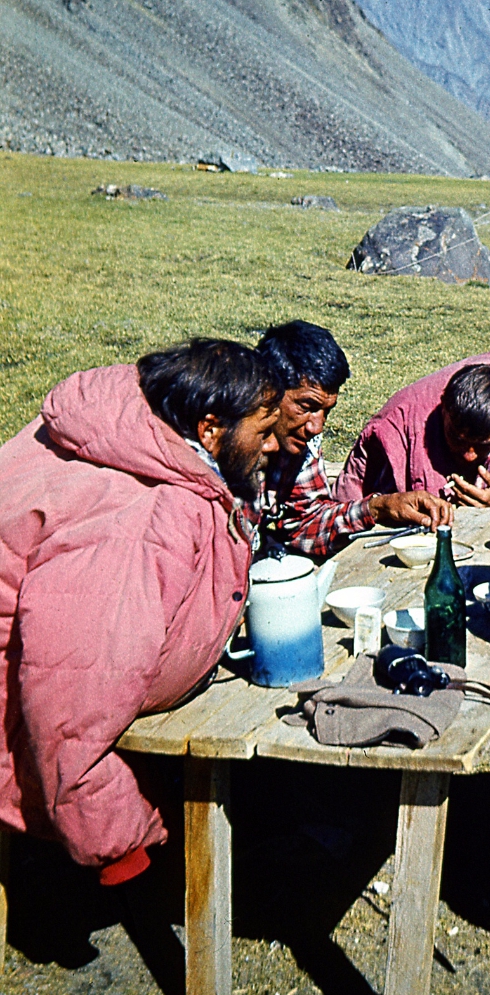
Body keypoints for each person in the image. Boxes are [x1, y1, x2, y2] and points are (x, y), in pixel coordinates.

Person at [0, 340, 282, 883]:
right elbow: (71, 688)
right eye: (263, 431)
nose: (273, 445)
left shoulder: (127, 432)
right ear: (209, 430)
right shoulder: (144, 514)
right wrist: (115, 836)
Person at [256, 321, 451, 557]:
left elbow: (305, 524)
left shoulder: (300, 442)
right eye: (306, 406)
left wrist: (378, 508)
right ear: (267, 391)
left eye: (326, 411)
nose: (316, 427)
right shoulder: (220, 445)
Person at [335, 349, 490, 510]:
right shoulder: (400, 430)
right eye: (457, 438)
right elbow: (348, 506)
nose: (469, 455)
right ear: (443, 410)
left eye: (484, 444)